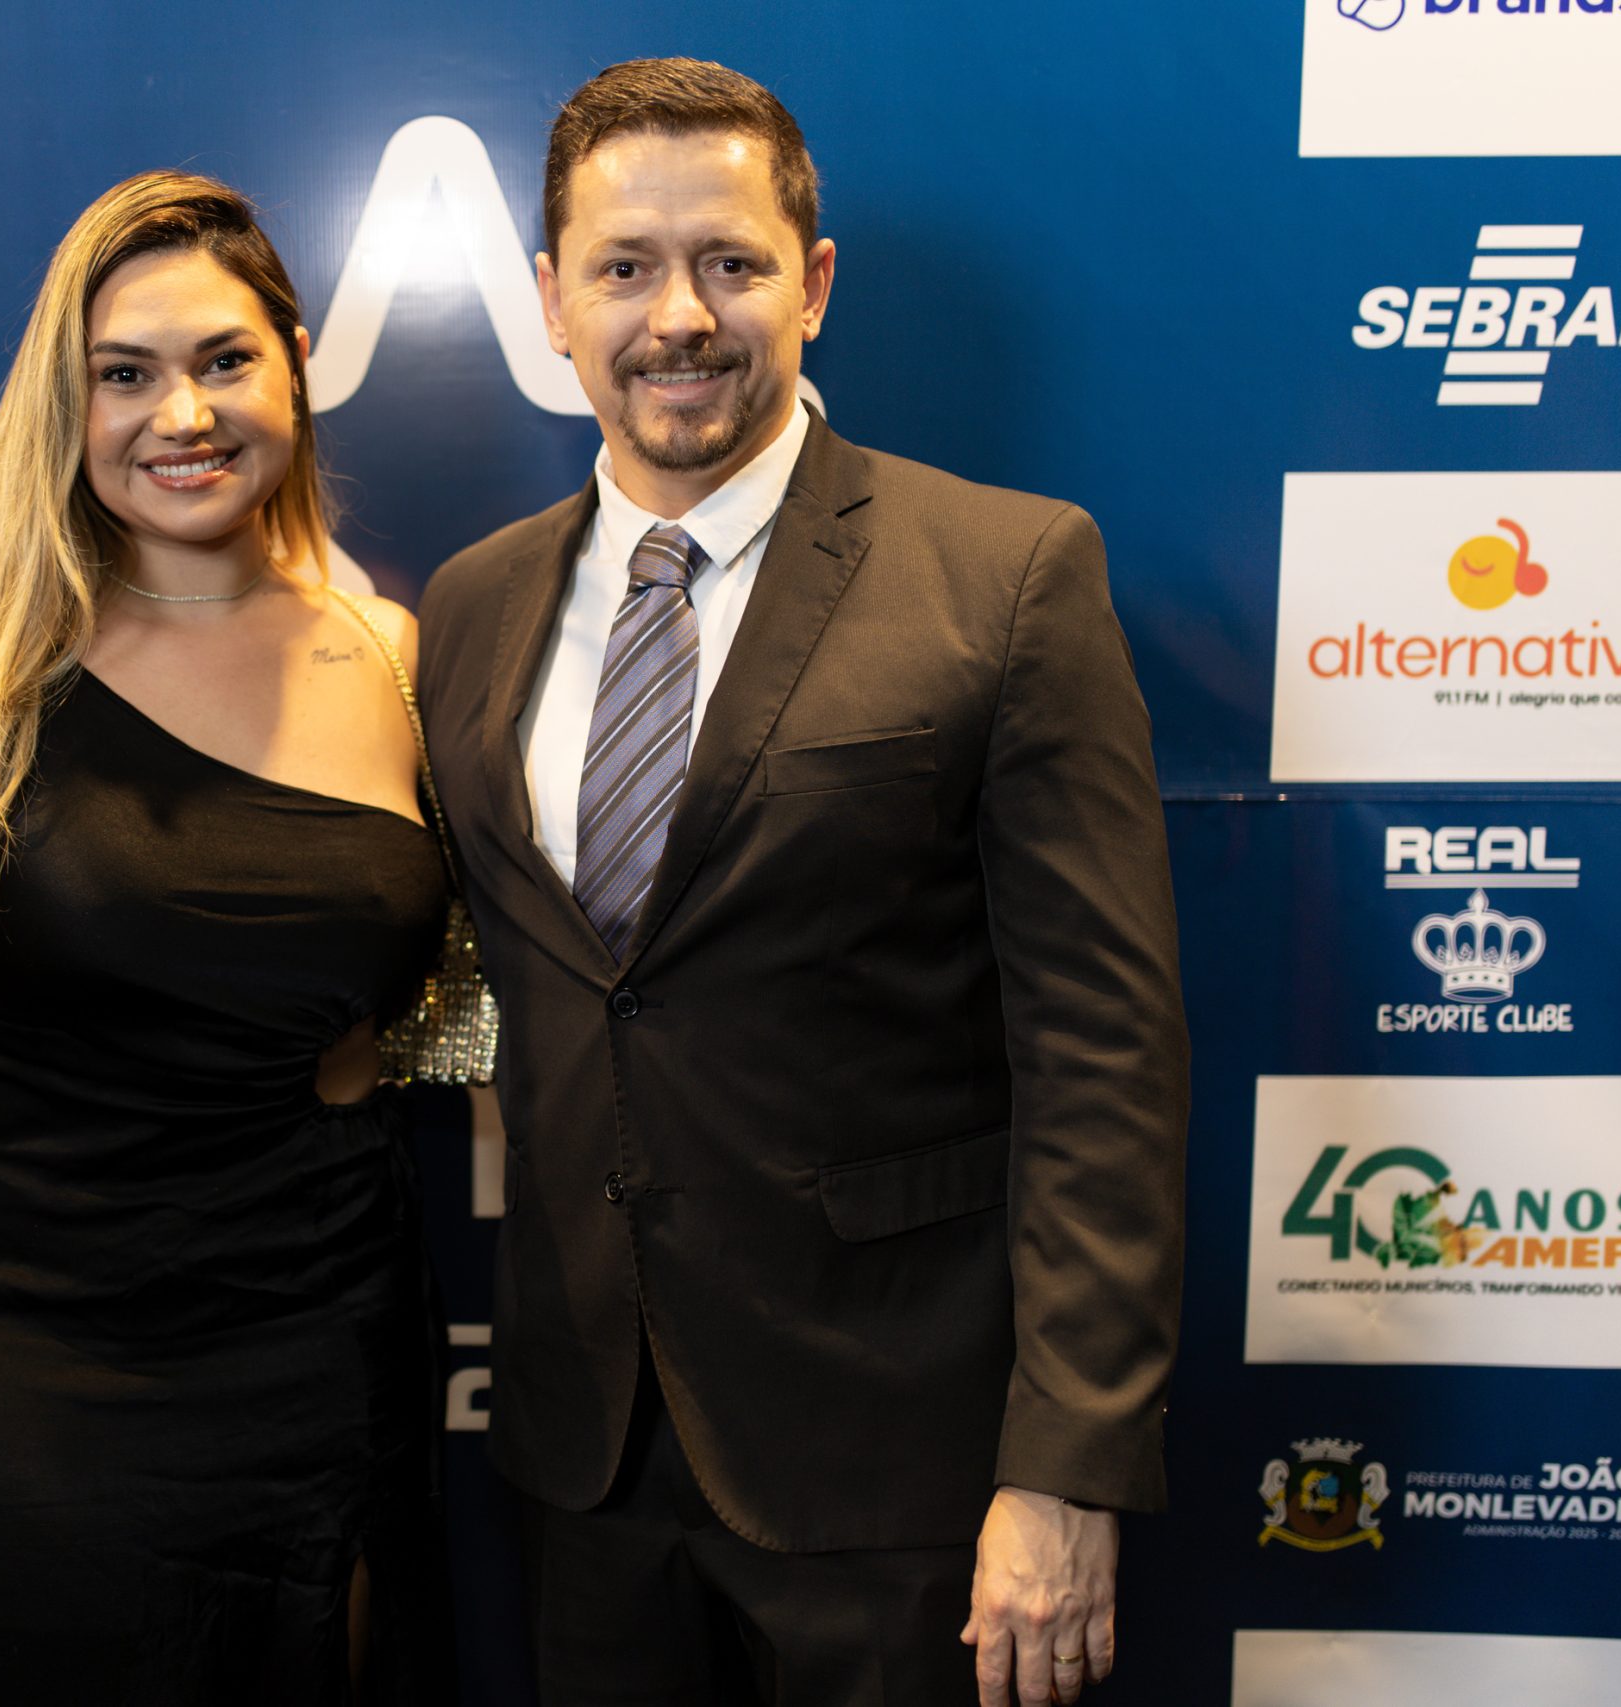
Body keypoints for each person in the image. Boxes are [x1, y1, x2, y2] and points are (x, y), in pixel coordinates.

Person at [416, 59, 1190, 1707]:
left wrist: (1066, 1469)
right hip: (583, 1465)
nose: (679, 318)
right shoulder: (470, 610)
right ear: (550, 301)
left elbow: (1104, 1066)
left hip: (908, 1476)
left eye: (732, 263)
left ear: (814, 284)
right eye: (624, 268)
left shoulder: (1006, 575)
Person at [0, 171, 455, 1705]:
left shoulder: (393, 657)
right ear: (65, 408)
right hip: (42, 1361)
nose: (182, 415)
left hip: (323, 1338)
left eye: (224, 360)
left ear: (294, 368)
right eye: (125, 375)